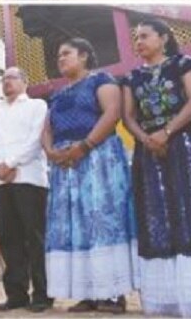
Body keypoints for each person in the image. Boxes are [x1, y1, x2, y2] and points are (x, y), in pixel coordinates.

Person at [43, 38, 138, 314]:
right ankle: (86, 292)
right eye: (59, 55)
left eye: (66, 53)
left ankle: (113, 294)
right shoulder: (58, 94)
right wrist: (50, 152)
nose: (60, 58)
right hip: (65, 166)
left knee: (102, 220)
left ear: (84, 56)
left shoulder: (102, 80)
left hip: (98, 159)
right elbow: (48, 127)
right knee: (75, 226)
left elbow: (112, 114)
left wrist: (84, 146)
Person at [121, 19, 191, 317]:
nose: (138, 42)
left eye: (144, 36)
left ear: (163, 38)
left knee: (190, 210)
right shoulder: (131, 77)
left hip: (186, 144)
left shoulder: (184, 63)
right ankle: (169, 299)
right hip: (148, 153)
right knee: (157, 214)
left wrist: (166, 133)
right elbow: (128, 116)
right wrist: (147, 139)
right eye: (135, 38)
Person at [0, 68, 52, 313]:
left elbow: (35, 140)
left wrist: (10, 163)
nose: (7, 82)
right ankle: (16, 294)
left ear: (25, 81)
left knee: (35, 237)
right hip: (2, 182)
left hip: (30, 178)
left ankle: (42, 294)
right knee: (9, 239)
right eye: (4, 79)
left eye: (12, 77)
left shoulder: (37, 106)